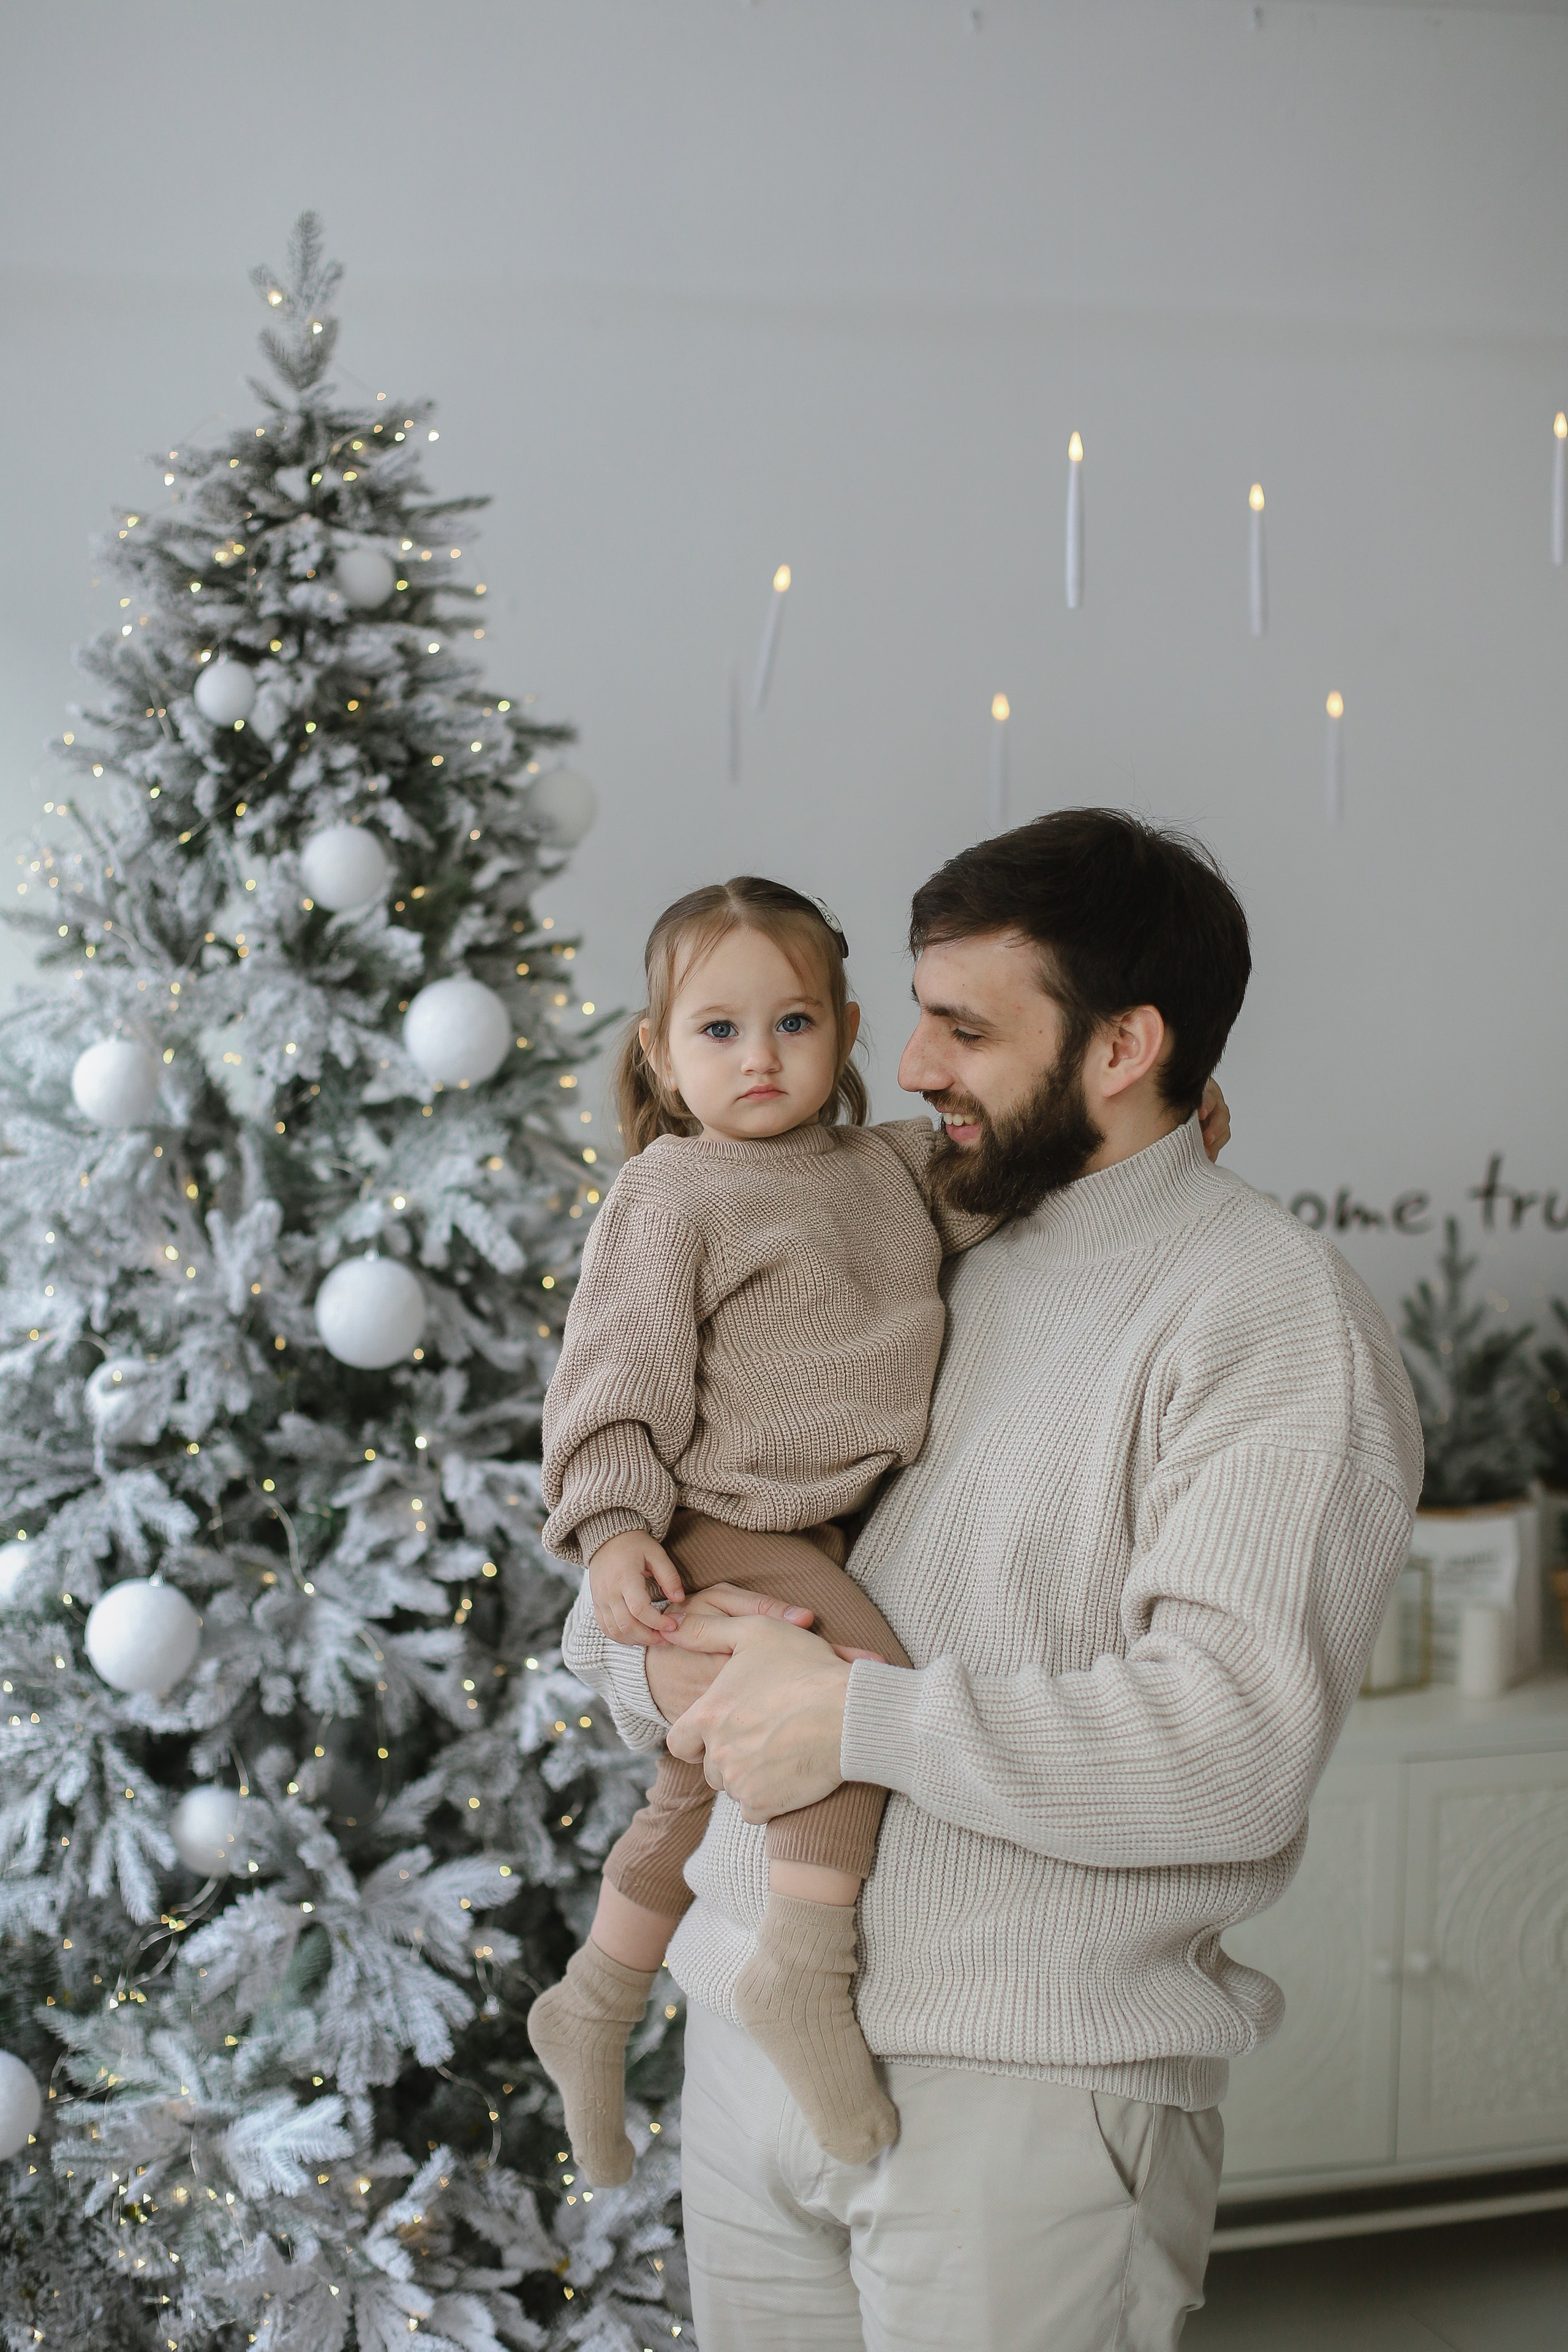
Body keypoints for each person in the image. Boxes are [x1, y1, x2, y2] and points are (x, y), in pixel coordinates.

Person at [561, 810, 1423, 2352]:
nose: (906, 1067)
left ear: (1121, 1046)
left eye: (963, 1028)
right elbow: (673, 1556)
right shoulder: (920, 1225)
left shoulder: (1267, 1321)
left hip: (1019, 2095)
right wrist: (652, 1660)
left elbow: (1226, 1754)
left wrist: (853, 1722)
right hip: (754, 2043)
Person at [528, 872, 1233, 2185]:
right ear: (659, 1053)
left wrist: (1167, 1129)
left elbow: (1008, 1186)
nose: (758, 1059)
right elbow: (609, 1378)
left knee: (694, 1783)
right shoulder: (670, 1193)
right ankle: (805, 1968)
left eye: (792, 1025)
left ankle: (593, 1997)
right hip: (727, 1517)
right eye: (717, 1031)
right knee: (848, 1709)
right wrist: (617, 1527)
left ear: (843, 1032)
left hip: (820, 1524)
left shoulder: (883, 1167)